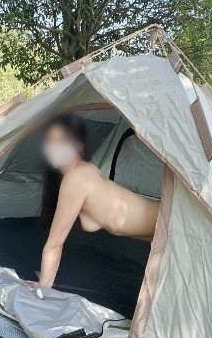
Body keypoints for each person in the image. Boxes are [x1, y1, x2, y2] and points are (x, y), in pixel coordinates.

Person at [30, 113, 159, 289]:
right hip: (161, 225)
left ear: (79, 146)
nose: (55, 147)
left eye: (62, 140)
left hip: (170, 221)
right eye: (50, 141)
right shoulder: (85, 170)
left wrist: (43, 288)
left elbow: (55, 244)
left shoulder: (76, 178)